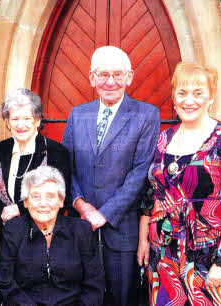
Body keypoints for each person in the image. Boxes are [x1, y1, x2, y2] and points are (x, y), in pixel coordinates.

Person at [137, 62, 221, 305]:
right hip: (163, 255)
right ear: (174, 98)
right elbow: (150, 195)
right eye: (182, 93)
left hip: (207, 256)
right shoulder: (163, 139)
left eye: (198, 93)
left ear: (210, 97)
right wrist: (143, 241)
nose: (189, 100)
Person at [61, 46, 161, 306]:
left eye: (118, 74)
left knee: (121, 299)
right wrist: (81, 205)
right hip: (80, 229)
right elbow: (65, 167)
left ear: (130, 77)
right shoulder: (77, 115)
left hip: (121, 232)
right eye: (103, 74)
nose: (111, 82)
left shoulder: (146, 115)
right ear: (92, 78)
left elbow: (141, 173)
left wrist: (103, 214)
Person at [0, 165, 105, 305]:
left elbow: (94, 286)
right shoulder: (13, 230)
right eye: (36, 196)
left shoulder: (81, 230)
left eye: (50, 196)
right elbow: (4, 281)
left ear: (61, 201)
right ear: (26, 202)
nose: (43, 204)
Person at [0, 88, 73, 228]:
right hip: (9, 237)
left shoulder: (56, 152)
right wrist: (1, 216)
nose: (21, 125)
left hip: (43, 236)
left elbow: (60, 197)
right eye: (15, 119)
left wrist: (20, 209)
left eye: (27, 118)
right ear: (8, 122)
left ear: (37, 121)